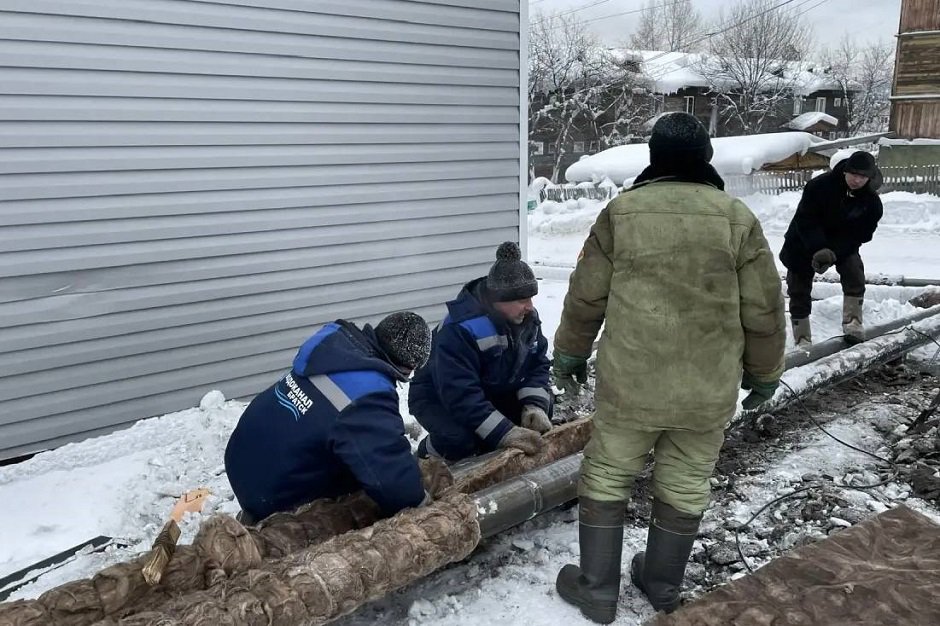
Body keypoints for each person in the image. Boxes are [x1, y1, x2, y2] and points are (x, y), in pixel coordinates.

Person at [551, 112, 786, 622]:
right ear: (705, 158)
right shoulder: (735, 218)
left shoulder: (622, 213)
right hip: (707, 389)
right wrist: (765, 372)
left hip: (630, 385)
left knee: (609, 474)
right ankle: (660, 586)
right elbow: (764, 309)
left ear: (654, 158)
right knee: (685, 481)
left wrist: (570, 352)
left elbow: (585, 296)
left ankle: (596, 590)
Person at [224, 312, 433, 524]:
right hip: (273, 491)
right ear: (408, 367)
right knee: (366, 483)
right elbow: (391, 474)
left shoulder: (334, 350)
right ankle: (267, 522)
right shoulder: (368, 394)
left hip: (241, 457)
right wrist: (421, 506)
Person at [409, 241, 552, 463]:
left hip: (489, 389)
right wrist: (504, 433)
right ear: (499, 300)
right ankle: (428, 456)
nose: (530, 306)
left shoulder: (526, 320)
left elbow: (538, 364)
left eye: (531, 298)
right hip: (437, 395)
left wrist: (534, 405)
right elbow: (460, 394)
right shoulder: (460, 329)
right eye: (523, 300)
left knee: (528, 425)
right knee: (462, 440)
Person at [779, 151, 883, 345]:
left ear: (869, 177)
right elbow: (805, 220)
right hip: (803, 242)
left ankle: (853, 322)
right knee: (798, 287)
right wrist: (818, 247)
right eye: (853, 174)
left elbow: (861, 235)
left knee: (853, 270)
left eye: (862, 176)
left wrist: (834, 252)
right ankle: (802, 337)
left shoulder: (872, 203)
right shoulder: (819, 187)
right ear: (845, 171)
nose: (857, 180)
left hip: (840, 246)